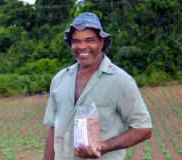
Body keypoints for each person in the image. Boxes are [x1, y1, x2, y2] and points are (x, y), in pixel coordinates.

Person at [43, 12, 152, 160]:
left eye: (89, 40)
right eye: (76, 41)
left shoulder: (120, 81)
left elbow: (144, 129)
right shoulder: (60, 79)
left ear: (101, 42)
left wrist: (104, 147)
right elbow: (53, 130)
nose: (82, 46)